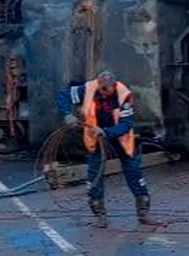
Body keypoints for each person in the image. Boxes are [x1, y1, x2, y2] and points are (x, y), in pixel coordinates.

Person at [56, 71, 158, 228]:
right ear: (98, 85)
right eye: (103, 89)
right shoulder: (88, 89)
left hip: (120, 138)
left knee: (133, 172)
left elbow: (126, 124)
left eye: (108, 90)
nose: (105, 93)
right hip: (95, 139)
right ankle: (100, 215)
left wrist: (106, 132)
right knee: (94, 175)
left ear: (114, 86)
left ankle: (143, 212)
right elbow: (63, 95)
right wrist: (67, 114)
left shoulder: (123, 96)